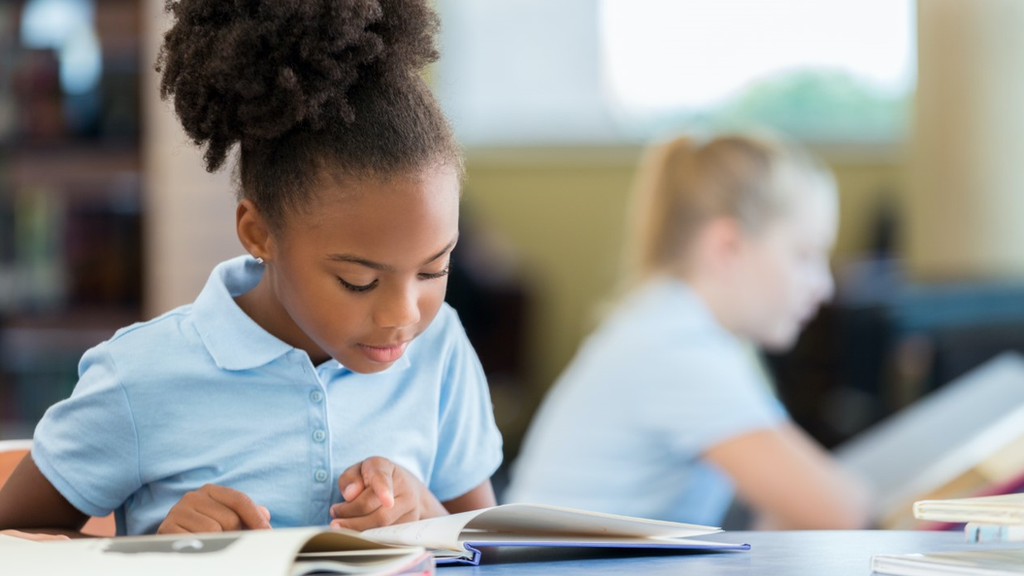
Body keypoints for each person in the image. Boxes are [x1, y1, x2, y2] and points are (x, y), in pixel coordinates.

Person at [0, 0, 502, 538]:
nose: (403, 315)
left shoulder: (440, 349)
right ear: (259, 233)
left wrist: (424, 508)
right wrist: (148, 553)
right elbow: (12, 542)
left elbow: (485, 541)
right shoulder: (140, 376)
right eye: (359, 281)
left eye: (433, 270)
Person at [505, 134, 871, 529]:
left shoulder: (675, 324)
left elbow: (786, 509)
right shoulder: (676, 348)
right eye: (804, 255)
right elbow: (843, 513)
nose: (824, 286)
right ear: (728, 247)